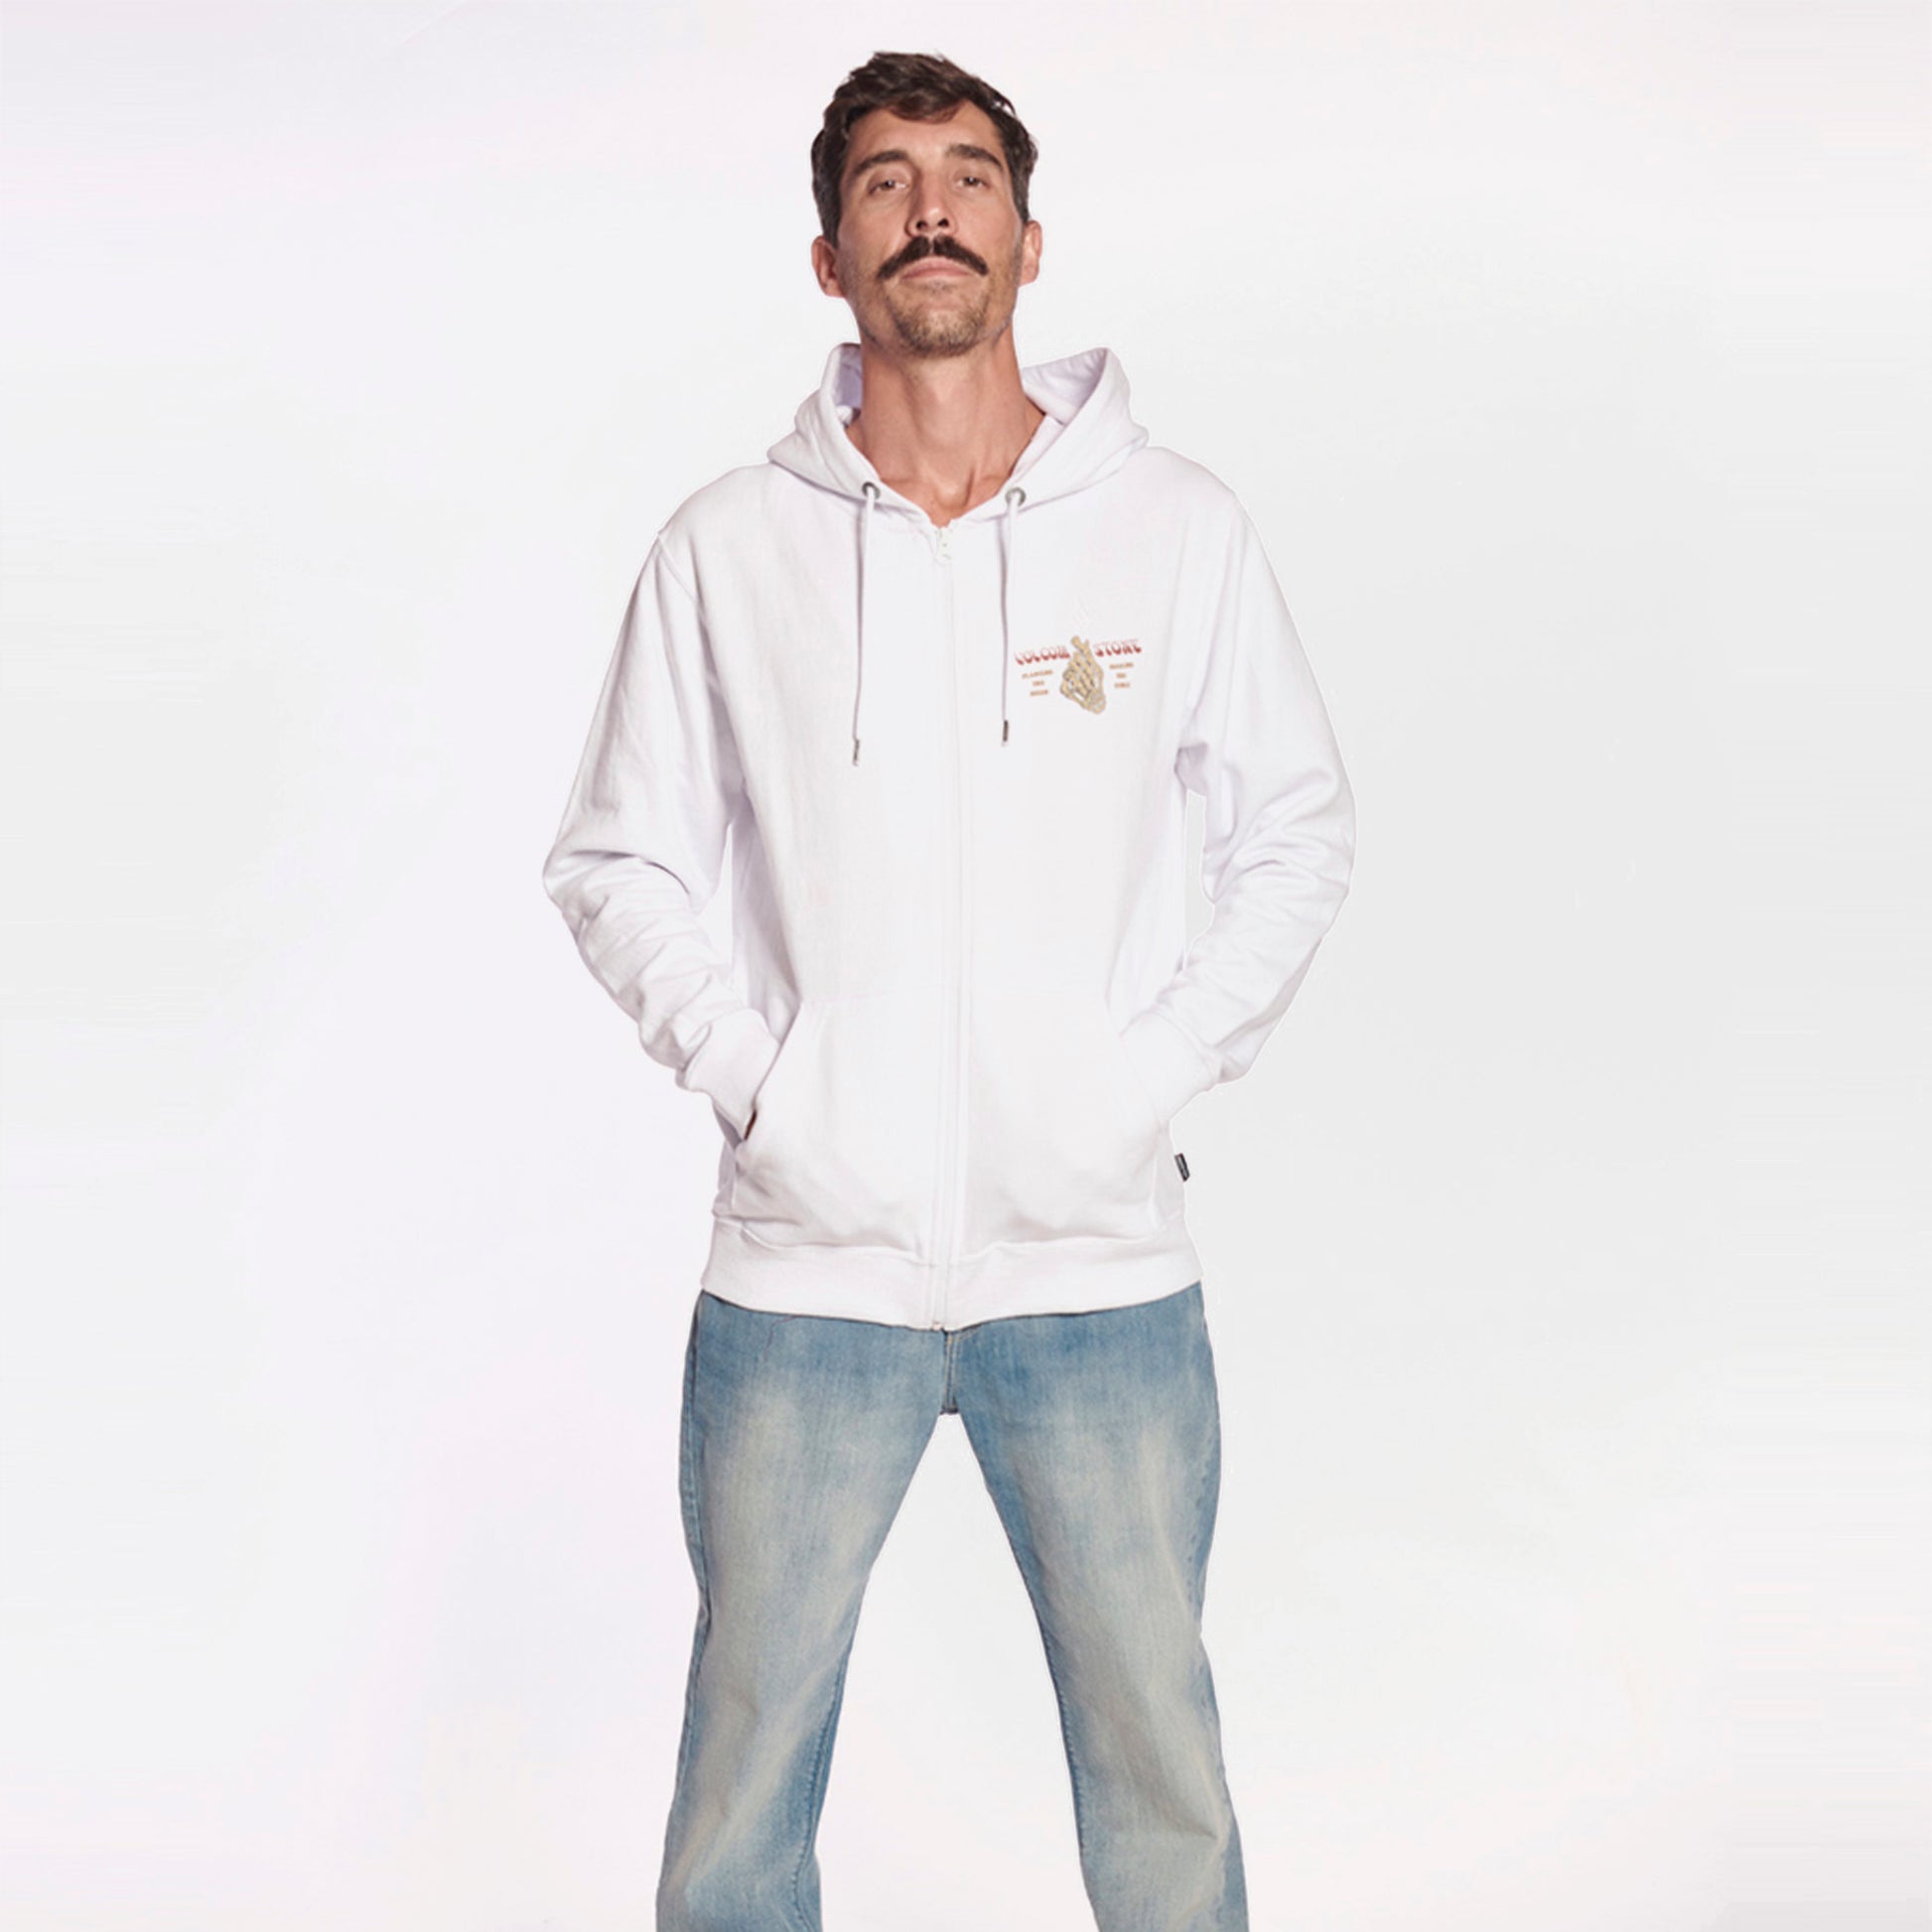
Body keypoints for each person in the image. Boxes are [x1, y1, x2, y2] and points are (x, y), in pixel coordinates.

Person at [541, 49, 1355, 1932]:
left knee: (1161, 1780)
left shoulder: (1173, 528)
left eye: (970, 176)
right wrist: (763, 1084)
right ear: (830, 256)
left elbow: (1295, 829)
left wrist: (1138, 1077)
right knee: (742, 1787)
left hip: (1096, 1266)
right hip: (804, 1274)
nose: (932, 209)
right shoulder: (726, 548)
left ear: (1028, 239)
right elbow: (614, 856)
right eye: (887, 180)